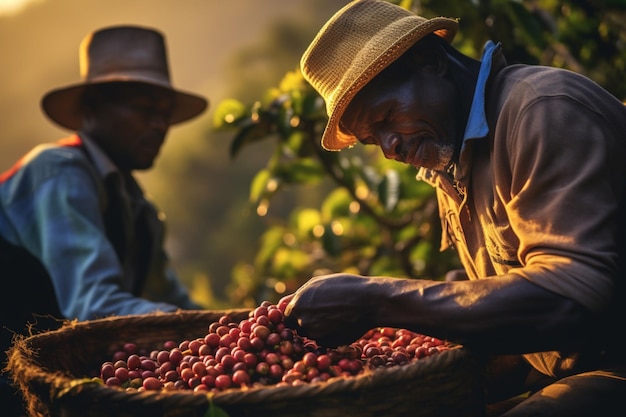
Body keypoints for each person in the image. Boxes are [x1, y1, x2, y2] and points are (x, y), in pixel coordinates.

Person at [281, 1, 626, 416]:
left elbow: (568, 300)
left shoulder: (541, 111)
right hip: (572, 366)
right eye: (374, 140)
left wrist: (376, 300)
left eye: (387, 117)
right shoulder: (454, 161)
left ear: (430, 60)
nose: (391, 148)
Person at [0, 25, 208, 415]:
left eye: (165, 116)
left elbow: (172, 299)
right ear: (93, 107)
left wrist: (239, 327)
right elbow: (93, 304)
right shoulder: (58, 172)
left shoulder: (138, 207)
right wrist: (204, 332)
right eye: (145, 111)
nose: (160, 126)